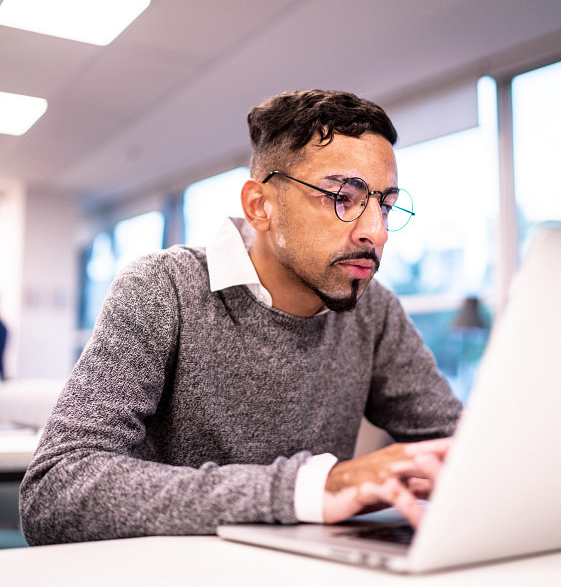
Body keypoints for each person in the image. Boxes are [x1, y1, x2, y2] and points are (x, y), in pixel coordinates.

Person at [19, 89, 462, 545]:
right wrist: (307, 490)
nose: (377, 231)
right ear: (259, 206)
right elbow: (54, 491)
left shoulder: (374, 310)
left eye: (385, 204)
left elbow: (464, 448)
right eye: (342, 197)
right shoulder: (163, 288)